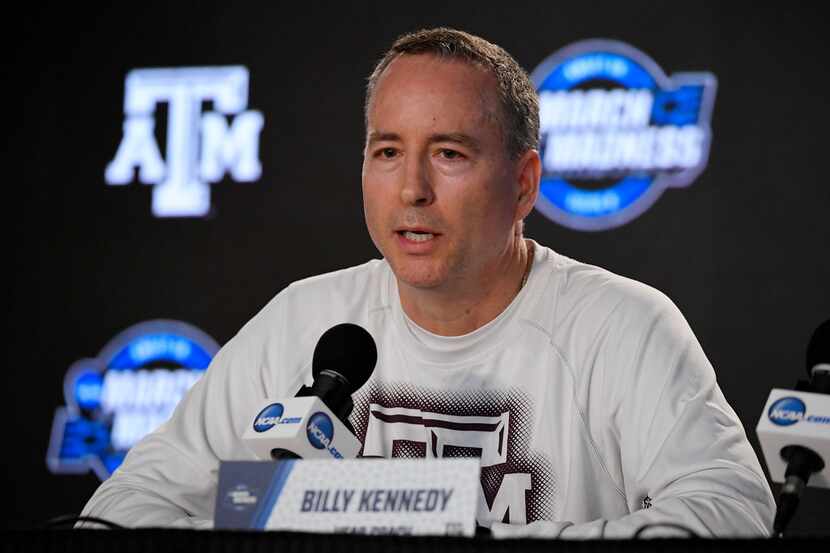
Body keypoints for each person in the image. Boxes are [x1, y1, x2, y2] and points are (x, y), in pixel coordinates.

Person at [80, 27, 775, 537]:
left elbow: (732, 509)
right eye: (387, 152)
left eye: (448, 153)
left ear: (524, 182)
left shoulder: (620, 325)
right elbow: (123, 507)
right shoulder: (304, 319)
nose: (411, 189)